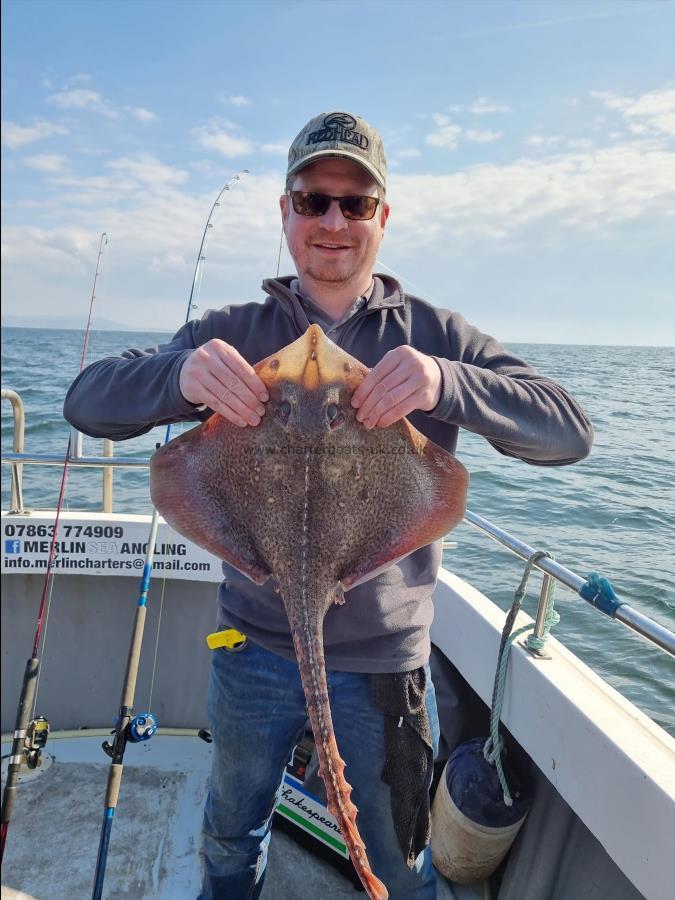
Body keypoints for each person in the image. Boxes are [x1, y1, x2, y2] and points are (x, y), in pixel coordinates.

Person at [64, 110, 593, 899]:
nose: (333, 220)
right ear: (286, 213)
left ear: (382, 217)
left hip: (383, 664)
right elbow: (86, 403)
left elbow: (566, 431)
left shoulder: (433, 335)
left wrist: (448, 384)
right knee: (229, 829)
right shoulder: (232, 331)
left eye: (354, 202)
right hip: (251, 650)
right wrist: (178, 380)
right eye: (313, 200)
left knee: (394, 861)